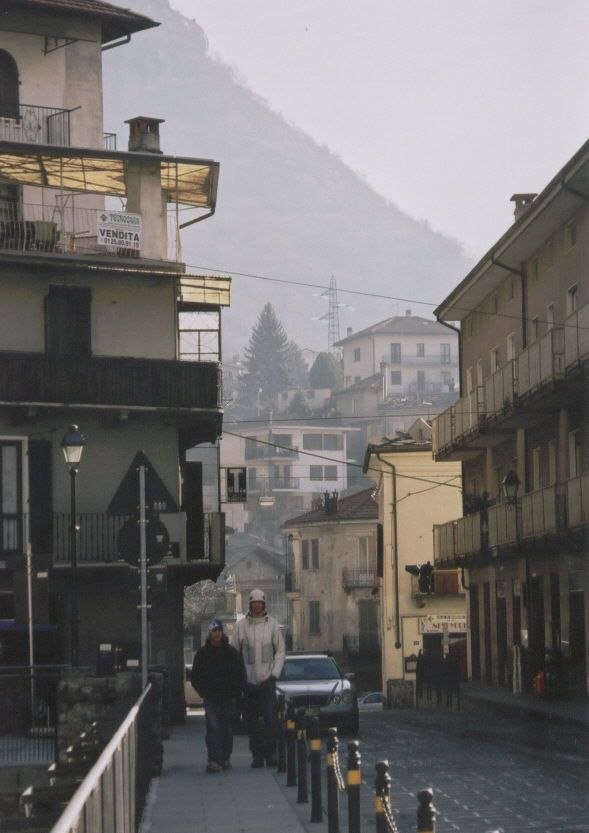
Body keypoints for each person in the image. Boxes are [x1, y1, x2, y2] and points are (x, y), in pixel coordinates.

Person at [231, 588, 285, 768]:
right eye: (253, 604)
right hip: (249, 683)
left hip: (267, 680)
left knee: (270, 719)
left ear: (264, 605)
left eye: (259, 604)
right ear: (250, 605)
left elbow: (280, 652)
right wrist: (240, 679)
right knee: (252, 722)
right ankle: (257, 756)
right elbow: (234, 654)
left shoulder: (273, 625)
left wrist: (274, 675)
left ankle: (271, 754)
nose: (256, 607)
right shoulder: (240, 627)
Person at [190, 618, 246, 773]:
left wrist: (236, 693)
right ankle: (213, 760)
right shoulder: (202, 654)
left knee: (227, 728)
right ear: (210, 633)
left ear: (222, 632)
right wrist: (204, 692)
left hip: (228, 698)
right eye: (214, 631)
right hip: (211, 698)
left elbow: (240, 674)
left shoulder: (231, 653)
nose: (217, 634)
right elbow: (195, 677)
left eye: (219, 631)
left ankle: (225, 758)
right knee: (213, 727)